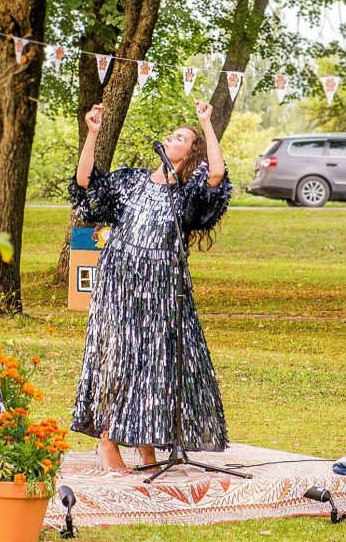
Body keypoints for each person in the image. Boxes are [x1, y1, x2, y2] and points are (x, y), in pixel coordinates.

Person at [69, 99, 231, 473]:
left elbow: (216, 175)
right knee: (120, 358)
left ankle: (147, 445)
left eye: (181, 138)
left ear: (189, 155)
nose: (172, 138)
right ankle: (107, 439)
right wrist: (93, 133)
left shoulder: (186, 193)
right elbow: (85, 181)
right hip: (119, 281)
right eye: (173, 134)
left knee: (156, 365)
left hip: (162, 286)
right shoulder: (132, 181)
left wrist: (206, 123)